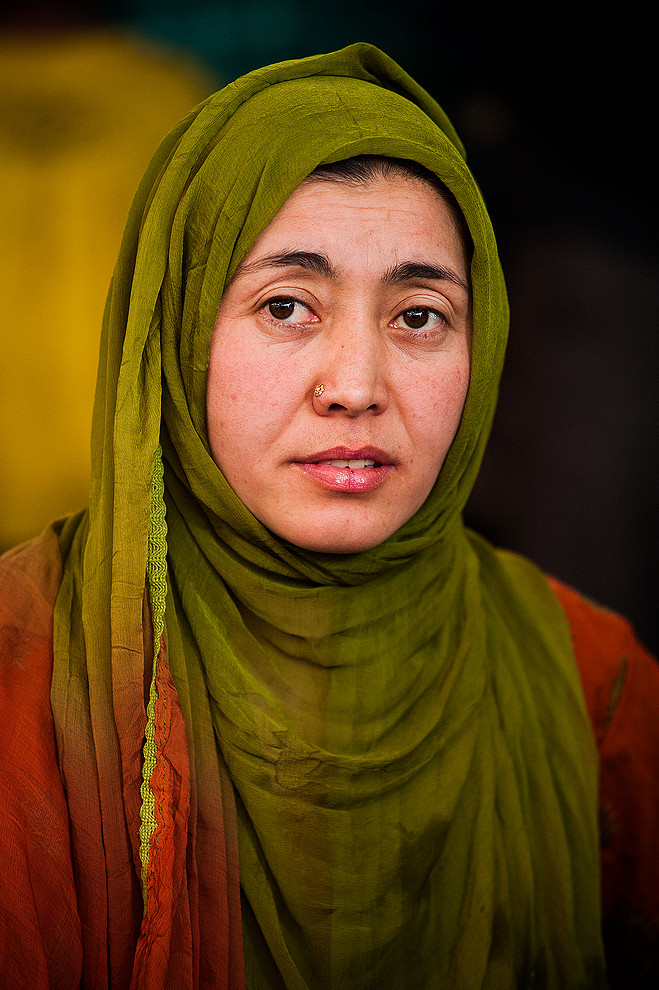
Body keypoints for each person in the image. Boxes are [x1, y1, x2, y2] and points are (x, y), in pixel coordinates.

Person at [0, 43, 657, 990]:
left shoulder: (592, 684)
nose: (356, 387)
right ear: (177, 332)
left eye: (419, 316)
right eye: (286, 306)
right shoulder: (23, 686)